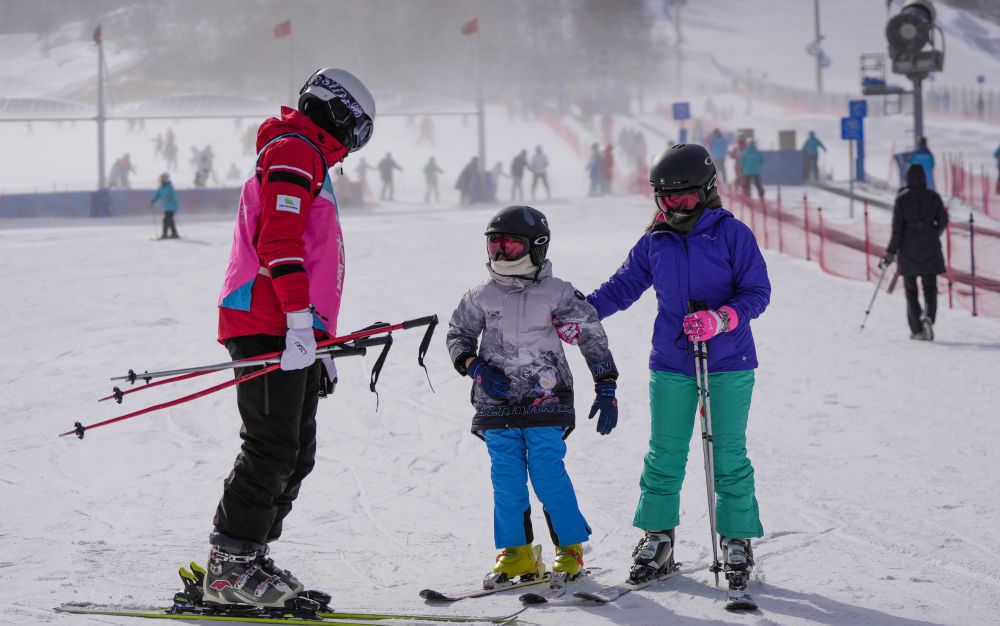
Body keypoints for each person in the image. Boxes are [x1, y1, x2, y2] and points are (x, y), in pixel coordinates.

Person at [210, 67, 375, 607]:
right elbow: (278, 240)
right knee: (272, 444)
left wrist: (319, 340)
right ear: (336, 112)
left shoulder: (303, 154)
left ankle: (249, 557)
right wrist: (300, 323)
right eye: (358, 129)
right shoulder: (293, 149)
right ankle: (229, 568)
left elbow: (309, 254)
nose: (355, 144)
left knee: (296, 451)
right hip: (267, 321)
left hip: (290, 325)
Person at [584, 143, 770, 600]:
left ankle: (736, 540)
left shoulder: (731, 235)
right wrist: (581, 315)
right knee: (664, 453)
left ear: (706, 191)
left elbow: (757, 292)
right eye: (663, 198)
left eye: (681, 198)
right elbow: (622, 287)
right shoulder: (655, 240)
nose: (671, 207)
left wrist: (720, 318)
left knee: (728, 454)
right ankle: (658, 538)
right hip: (671, 362)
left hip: (728, 361)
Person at [446, 205, 620, 584]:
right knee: (506, 480)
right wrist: (474, 367)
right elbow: (457, 334)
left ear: (536, 246)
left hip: (547, 399)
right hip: (496, 405)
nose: (501, 253)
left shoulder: (557, 292)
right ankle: (516, 553)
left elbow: (590, 334)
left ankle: (569, 547)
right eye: (494, 244)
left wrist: (605, 384)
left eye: (510, 245)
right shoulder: (480, 295)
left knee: (547, 473)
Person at [882, 163, 948, 341]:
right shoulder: (933, 197)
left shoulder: (901, 199)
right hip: (930, 248)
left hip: (908, 250)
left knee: (911, 291)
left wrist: (890, 252)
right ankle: (929, 316)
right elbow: (943, 220)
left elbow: (897, 229)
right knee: (930, 288)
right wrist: (934, 232)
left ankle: (917, 329)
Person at [151, 172, 179, 239]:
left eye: (163, 178)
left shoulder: (170, 187)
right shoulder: (161, 187)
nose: (161, 180)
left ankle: (173, 233)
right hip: (166, 207)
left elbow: (174, 197)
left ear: (166, 179)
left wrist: (170, 199)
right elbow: (158, 194)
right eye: (161, 178)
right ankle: (167, 234)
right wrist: (153, 200)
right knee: (166, 220)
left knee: (168, 219)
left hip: (171, 207)